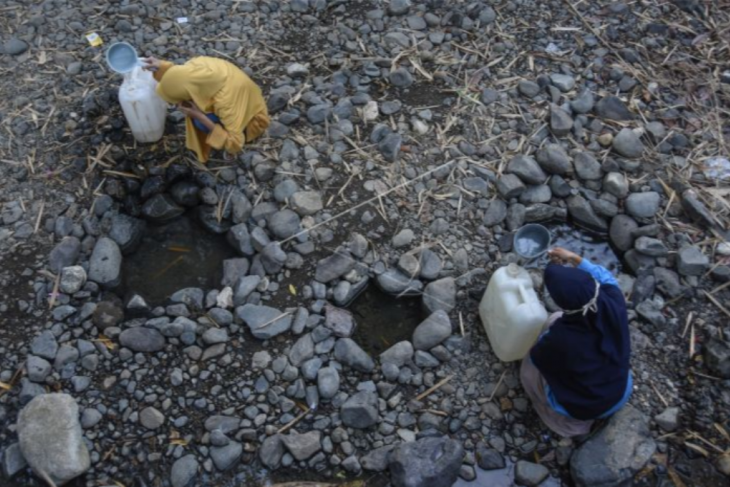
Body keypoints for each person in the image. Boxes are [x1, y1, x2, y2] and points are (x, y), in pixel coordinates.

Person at [520, 247, 632, 438]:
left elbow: (539, 355)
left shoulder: (562, 340)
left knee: (528, 371)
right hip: (622, 390)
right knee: (556, 320)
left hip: (589, 406)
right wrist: (573, 258)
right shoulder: (614, 300)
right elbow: (604, 276)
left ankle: (567, 423)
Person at [142, 56, 269, 163]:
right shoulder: (196, 64)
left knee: (199, 122)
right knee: (197, 111)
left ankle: (242, 131)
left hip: (252, 118)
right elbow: (180, 74)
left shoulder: (225, 102)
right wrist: (161, 67)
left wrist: (200, 116)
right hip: (241, 94)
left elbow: (236, 142)